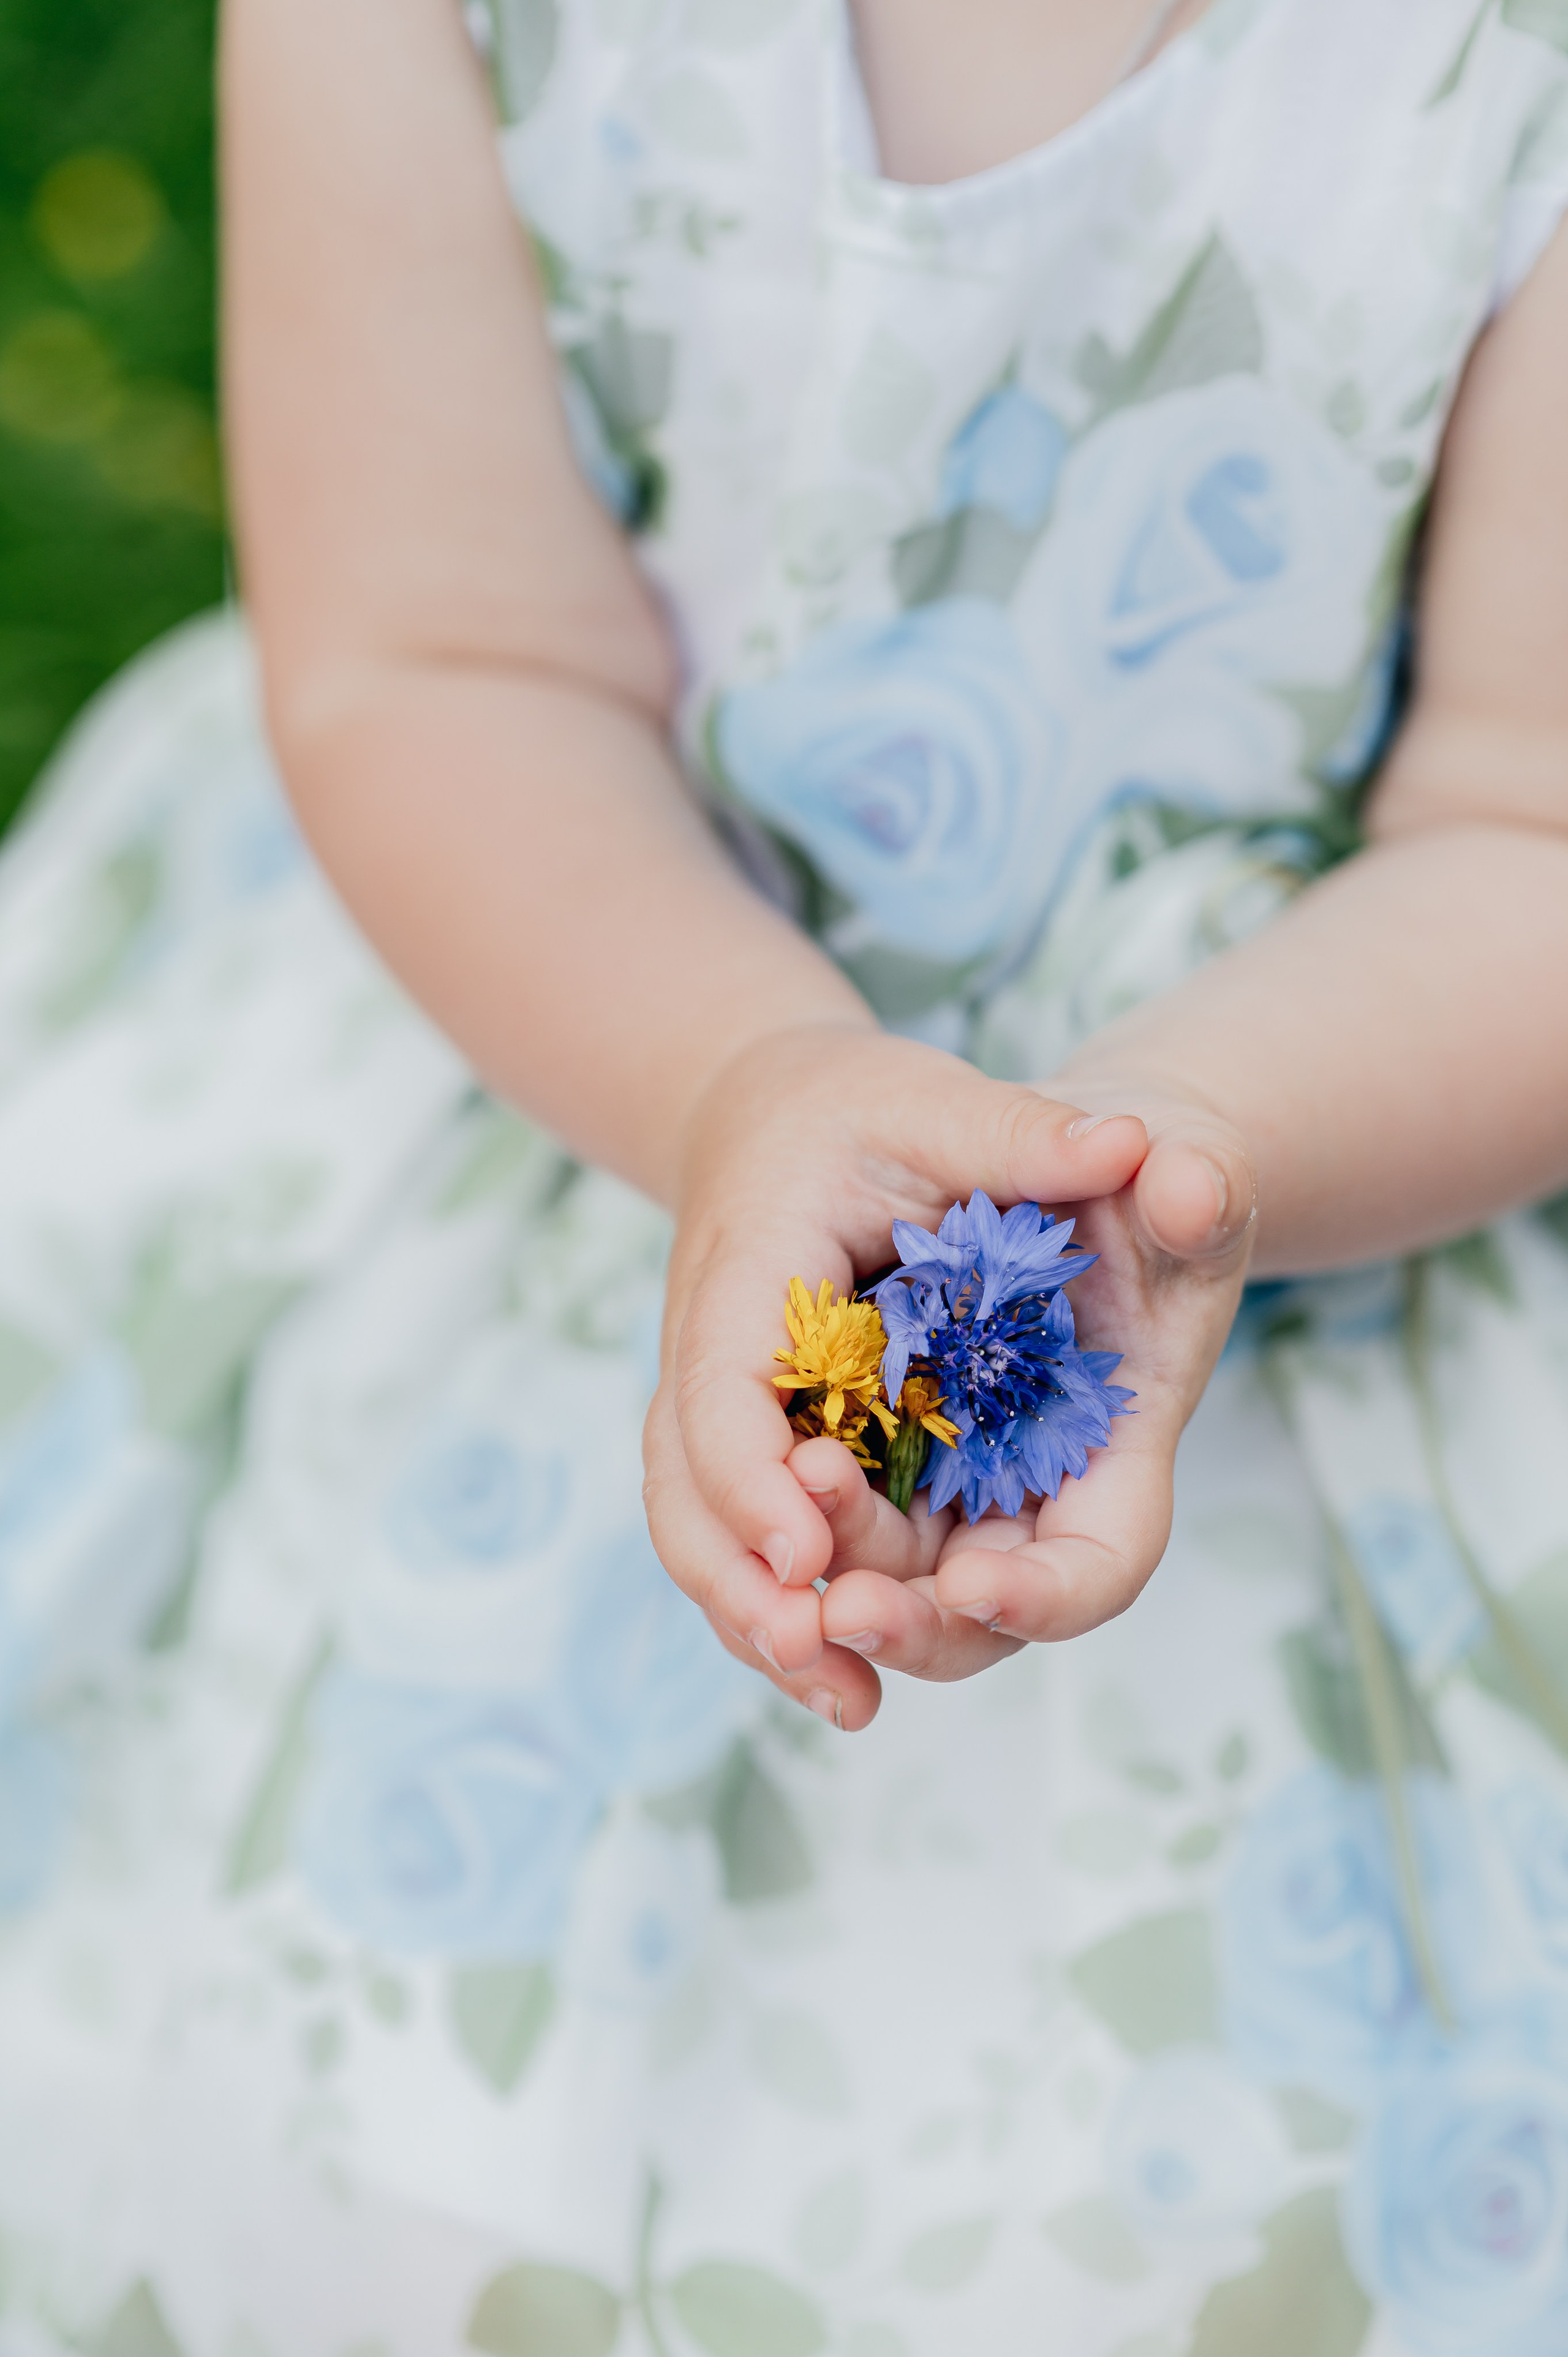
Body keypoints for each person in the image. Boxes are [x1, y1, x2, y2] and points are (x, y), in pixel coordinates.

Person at [1, 0, 1567, 2344]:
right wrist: (744, 1071)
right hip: (569, 984)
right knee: (320, 2128)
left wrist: (1179, 1163)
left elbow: (1530, 820)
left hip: (1339, 1103)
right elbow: (438, 657)